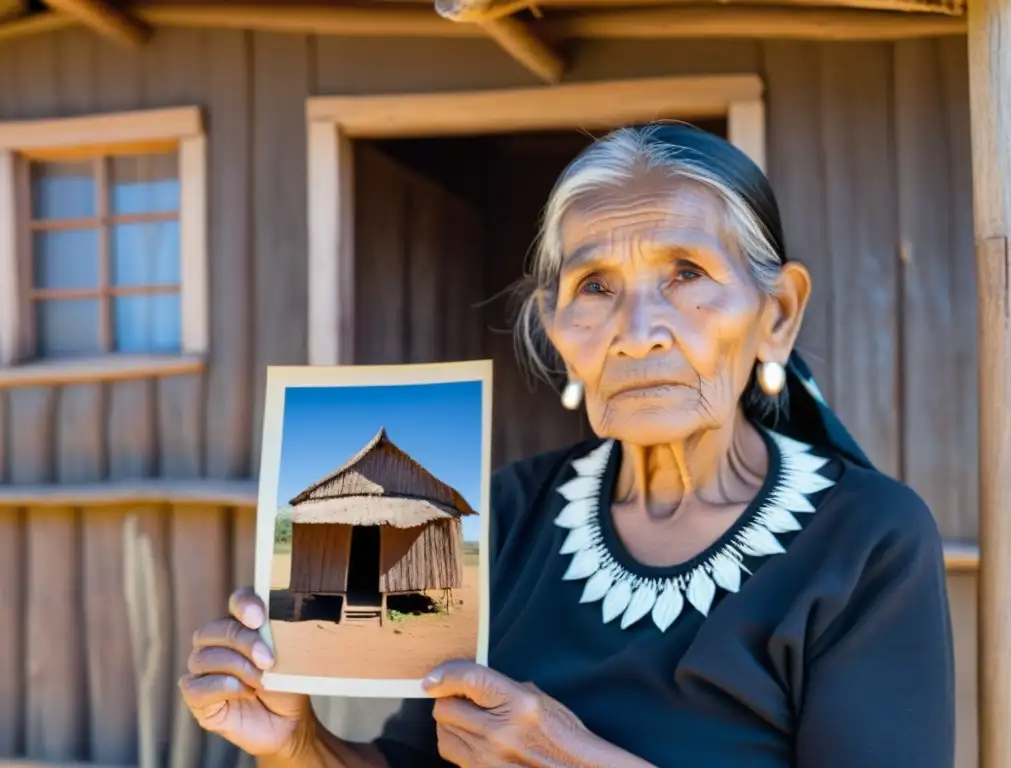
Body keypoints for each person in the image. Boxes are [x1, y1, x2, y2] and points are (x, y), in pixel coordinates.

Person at [180, 123, 956, 767]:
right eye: (594, 287)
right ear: (556, 327)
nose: (637, 331)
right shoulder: (505, 515)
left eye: (686, 272)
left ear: (777, 313)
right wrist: (297, 744)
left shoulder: (865, 540)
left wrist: (572, 757)